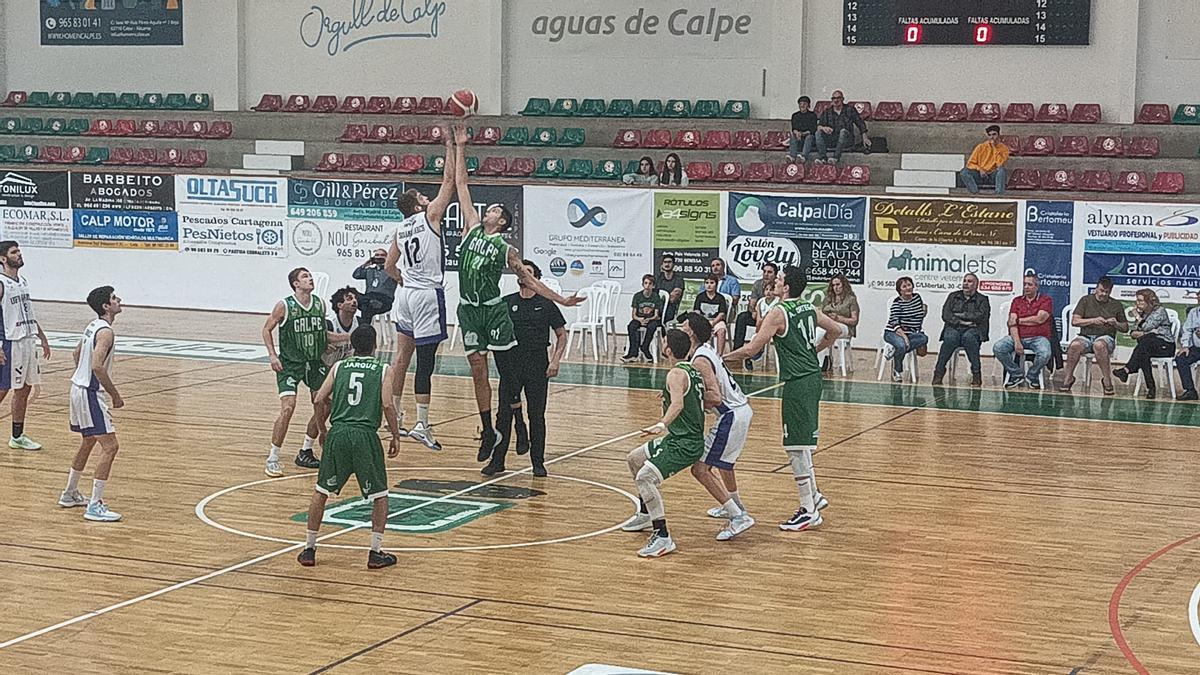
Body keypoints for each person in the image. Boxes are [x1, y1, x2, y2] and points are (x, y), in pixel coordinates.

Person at [452, 124, 583, 462]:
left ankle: (521, 426)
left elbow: (533, 282)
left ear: (503, 222)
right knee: (477, 370)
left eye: (494, 210)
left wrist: (562, 299)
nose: (488, 210)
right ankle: (488, 431)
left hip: (493, 311)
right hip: (467, 309)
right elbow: (461, 184)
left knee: (507, 376)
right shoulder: (470, 228)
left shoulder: (505, 248)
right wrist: (459, 145)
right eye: (490, 208)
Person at [724, 266, 841, 531]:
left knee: (795, 447)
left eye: (778, 279)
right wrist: (815, 350)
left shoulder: (778, 312)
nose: (774, 281)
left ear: (786, 287)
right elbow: (836, 330)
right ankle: (815, 496)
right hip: (811, 379)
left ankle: (808, 510)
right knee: (802, 444)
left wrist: (722, 359)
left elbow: (754, 348)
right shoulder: (808, 306)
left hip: (799, 383)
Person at [296, 326, 404, 570]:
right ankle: (375, 552)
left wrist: (322, 429)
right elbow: (387, 404)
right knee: (379, 495)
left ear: (353, 345)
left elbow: (318, 398)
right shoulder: (384, 369)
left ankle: (309, 549)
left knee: (321, 491)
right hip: (365, 435)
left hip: (338, 433)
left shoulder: (339, 366)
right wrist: (396, 435)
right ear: (375, 345)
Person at [383, 128, 456, 452]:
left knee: (402, 356)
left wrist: (402, 280)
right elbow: (450, 184)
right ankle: (422, 424)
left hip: (406, 296)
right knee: (426, 361)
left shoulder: (400, 229)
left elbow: (388, 266)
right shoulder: (428, 216)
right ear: (416, 204)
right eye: (423, 197)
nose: (428, 199)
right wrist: (451, 146)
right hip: (427, 295)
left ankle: (394, 413)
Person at [619, 328, 707, 558]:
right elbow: (688, 398)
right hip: (680, 437)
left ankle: (663, 536)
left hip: (685, 443)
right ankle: (646, 513)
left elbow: (678, 404)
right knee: (635, 458)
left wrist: (661, 423)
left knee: (644, 477)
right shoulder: (692, 370)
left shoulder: (675, 375)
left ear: (667, 349)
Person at [484, 259, 568, 477]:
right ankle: (497, 460)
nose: (524, 275)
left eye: (529, 272)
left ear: (535, 278)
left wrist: (555, 360)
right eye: (521, 272)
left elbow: (561, 334)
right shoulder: (506, 302)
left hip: (537, 364)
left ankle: (537, 462)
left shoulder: (547, 304)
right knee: (504, 414)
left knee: (536, 415)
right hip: (511, 365)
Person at [680, 312, 755, 541]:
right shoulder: (706, 350)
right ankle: (735, 504)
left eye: (684, 324)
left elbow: (715, 397)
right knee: (724, 464)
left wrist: (684, 400)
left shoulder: (700, 360)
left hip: (730, 415)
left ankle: (738, 517)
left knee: (700, 469)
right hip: (740, 411)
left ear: (691, 331)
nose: (681, 326)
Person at [58, 286, 124, 522]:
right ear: (106, 306)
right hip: (89, 392)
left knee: (88, 441)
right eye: (114, 298)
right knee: (110, 446)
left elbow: (76, 354)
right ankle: (95, 505)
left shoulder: (92, 325)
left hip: (77, 388)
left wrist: (80, 376)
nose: (119, 300)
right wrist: (114, 395)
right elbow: (97, 365)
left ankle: (70, 493)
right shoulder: (106, 332)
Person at [0, 240, 51, 451]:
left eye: (19, 251)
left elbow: (27, 312)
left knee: (25, 388)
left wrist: (42, 336)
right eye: (14, 252)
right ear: (3, 259)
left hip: (28, 340)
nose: (19, 254)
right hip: (11, 342)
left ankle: (17, 436)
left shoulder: (22, 281)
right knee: (3, 389)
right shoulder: (1, 283)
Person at [1061, 276, 1126, 395]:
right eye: (1101, 290)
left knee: (1099, 345)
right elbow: (1075, 321)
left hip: (1106, 337)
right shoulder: (1085, 300)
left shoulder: (1116, 304)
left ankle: (1107, 380)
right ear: (1096, 288)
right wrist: (1092, 320)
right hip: (1085, 336)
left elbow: (1125, 328)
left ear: (1111, 291)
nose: (1103, 294)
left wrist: (1116, 323)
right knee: (1074, 345)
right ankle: (1069, 378)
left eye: (1106, 292)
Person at [992, 273, 1054, 389]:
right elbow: (1011, 323)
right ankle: (1016, 374)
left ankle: (1032, 375)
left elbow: (1040, 319)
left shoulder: (1046, 300)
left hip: (1039, 337)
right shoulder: (1017, 301)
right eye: (1025, 284)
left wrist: (1019, 320)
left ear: (1036, 287)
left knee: (1045, 353)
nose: (1026, 287)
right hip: (1018, 336)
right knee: (998, 348)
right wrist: (1017, 342)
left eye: (1029, 285)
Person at [1113, 289, 1175, 399]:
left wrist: (1138, 317)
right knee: (1144, 351)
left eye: (1140, 301)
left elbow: (1146, 327)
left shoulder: (1159, 311)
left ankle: (1127, 370)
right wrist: (1146, 332)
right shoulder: (1144, 314)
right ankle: (1150, 388)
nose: (1137, 303)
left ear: (1150, 301)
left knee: (1145, 342)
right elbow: (1133, 333)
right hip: (1149, 346)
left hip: (1166, 345)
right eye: (1137, 300)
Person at [932, 273, 990, 386]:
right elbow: (946, 315)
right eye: (964, 281)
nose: (965, 284)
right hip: (954, 327)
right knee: (950, 339)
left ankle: (976, 373)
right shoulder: (953, 296)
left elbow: (980, 316)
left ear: (976, 285)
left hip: (974, 329)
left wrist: (959, 315)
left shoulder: (983, 300)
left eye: (969, 281)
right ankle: (938, 372)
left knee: (969, 338)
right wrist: (961, 321)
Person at [732, 263, 777, 370]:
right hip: (759, 315)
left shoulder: (779, 285)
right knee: (742, 317)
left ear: (775, 275)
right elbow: (752, 304)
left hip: (774, 318)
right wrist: (754, 312)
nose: (766, 274)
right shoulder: (758, 284)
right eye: (764, 271)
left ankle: (754, 352)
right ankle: (737, 352)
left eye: (769, 272)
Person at [882, 276, 927, 382]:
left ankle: (894, 350)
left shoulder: (917, 298)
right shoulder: (897, 303)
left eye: (909, 285)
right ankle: (897, 370)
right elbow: (894, 323)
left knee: (924, 338)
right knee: (902, 344)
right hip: (893, 332)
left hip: (911, 333)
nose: (908, 288)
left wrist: (925, 309)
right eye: (904, 286)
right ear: (900, 290)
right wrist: (904, 337)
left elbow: (920, 315)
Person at [815, 90, 870, 164]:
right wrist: (823, 128)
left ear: (843, 99)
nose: (836, 100)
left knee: (843, 131)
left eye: (838, 98)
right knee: (818, 133)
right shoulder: (827, 112)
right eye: (834, 98)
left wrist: (864, 136)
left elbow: (860, 123)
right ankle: (823, 158)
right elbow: (818, 126)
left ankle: (835, 158)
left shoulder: (850, 110)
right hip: (832, 139)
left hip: (847, 140)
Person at [819, 274, 859, 370]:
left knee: (823, 332)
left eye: (838, 284)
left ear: (844, 285)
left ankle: (822, 362)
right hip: (828, 324)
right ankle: (821, 361)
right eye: (833, 285)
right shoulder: (829, 298)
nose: (835, 288)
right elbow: (821, 311)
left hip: (845, 327)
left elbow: (854, 320)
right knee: (818, 332)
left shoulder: (851, 299)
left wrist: (839, 318)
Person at [622, 274, 664, 363]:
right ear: (643, 284)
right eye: (646, 283)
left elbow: (656, 315)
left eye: (650, 283)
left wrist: (649, 319)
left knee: (652, 327)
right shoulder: (637, 296)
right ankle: (633, 352)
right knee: (631, 326)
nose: (647, 286)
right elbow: (633, 315)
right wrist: (640, 319)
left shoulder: (656, 297)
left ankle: (645, 346)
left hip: (651, 319)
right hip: (639, 318)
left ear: (653, 285)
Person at [352, 249, 398, 324]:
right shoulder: (370, 271)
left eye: (382, 255)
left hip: (383, 299)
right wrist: (366, 264)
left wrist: (389, 264)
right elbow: (356, 275)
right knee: (352, 295)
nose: (379, 257)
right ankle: (360, 325)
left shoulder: (391, 271)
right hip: (368, 297)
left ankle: (364, 327)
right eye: (377, 255)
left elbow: (398, 276)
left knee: (367, 305)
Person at [960, 125, 1010, 195]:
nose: (992, 137)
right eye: (989, 135)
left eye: (994, 134)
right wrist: (980, 169)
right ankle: (975, 193)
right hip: (980, 175)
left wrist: (994, 148)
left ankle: (999, 195)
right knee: (964, 172)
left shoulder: (1004, 149)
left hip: (993, 175)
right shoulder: (981, 147)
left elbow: (999, 164)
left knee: (1002, 170)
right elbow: (970, 164)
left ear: (999, 135)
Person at [692, 274, 730, 354]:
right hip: (703, 320)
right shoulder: (700, 297)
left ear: (716, 285)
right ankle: (695, 353)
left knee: (722, 330)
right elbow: (697, 311)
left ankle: (719, 355)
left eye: (712, 283)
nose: (709, 285)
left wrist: (713, 323)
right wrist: (704, 322)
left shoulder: (720, 298)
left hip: (716, 321)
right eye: (707, 283)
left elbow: (722, 314)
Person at [322, 287, 359, 367]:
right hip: (326, 365)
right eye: (349, 299)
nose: (354, 301)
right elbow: (322, 335)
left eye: (355, 299)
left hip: (346, 367)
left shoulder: (359, 322)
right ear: (340, 305)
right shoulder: (329, 323)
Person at [1174, 295, 1200, 401]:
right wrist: (1185, 346)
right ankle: (1190, 390)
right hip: (1196, 347)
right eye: (1198, 297)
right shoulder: (1194, 312)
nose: (1199, 299)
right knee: (1181, 358)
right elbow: (1187, 330)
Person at [655, 254, 685, 324]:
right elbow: (654, 295)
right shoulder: (658, 278)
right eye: (665, 262)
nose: (667, 264)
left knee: (667, 314)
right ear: (662, 264)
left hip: (671, 308)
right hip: (657, 307)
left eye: (669, 262)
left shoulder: (678, 279)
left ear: (673, 264)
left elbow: (672, 299)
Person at [788, 96, 819, 163]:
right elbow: (794, 128)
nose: (802, 105)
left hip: (809, 138)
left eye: (804, 104)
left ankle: (803, 157)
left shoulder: (813, 115)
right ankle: (792, 157)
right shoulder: (795, 115)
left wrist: (802, 134)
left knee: (809, 137)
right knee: (792, 135)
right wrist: (797, 133)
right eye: (800, 104)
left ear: (808, 105)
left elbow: (813, 129)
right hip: (799, 137)